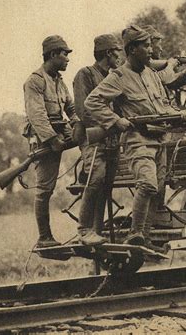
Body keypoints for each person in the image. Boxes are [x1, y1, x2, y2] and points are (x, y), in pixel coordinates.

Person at [84, 25, 186, 247]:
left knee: (157, 190)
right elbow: (92, 102)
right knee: (148, 185)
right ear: (132, 49)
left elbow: (162, 107)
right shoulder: (119, 77)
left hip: (159, 140)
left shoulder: (151, 74)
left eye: (151, 44)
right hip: (138, 141)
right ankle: (136, 234)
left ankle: (146, 238)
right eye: (146, 45)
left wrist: (179, 114)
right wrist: (115, 120)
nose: (151, 50)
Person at [23, 35, 79, 248]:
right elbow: (37, 116)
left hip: (59, 132)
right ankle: (44, 238)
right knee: (45, 188)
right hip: (43, 138)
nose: (67, 59)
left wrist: (77, 124)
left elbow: (71, 108)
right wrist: (52, 139)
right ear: (53, 54)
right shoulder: (35, 81)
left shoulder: (59, 81)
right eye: (65, 54)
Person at [72, 34, 122, 246]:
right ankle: (84, 229)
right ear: (109, 53)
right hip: (93, 138)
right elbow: (84, 111)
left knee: (107, 184)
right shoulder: (85, 74)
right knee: (96, 177)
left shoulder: (114, 76)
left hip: (111, 138)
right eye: (117, 52)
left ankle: (97, 230)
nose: (120, 56)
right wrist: (110, 123)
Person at [142, 24, 186, 105]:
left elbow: (173, 81)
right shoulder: (143, 67)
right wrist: (170, 65)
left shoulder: (153, 67)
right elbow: (165, 79)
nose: (161, 49)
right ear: (150, 45)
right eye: (159, 44)